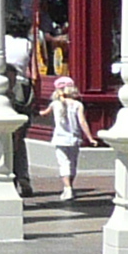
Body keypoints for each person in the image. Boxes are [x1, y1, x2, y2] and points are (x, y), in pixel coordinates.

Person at [44, 74, 96, 202]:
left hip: (60, 138)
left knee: (63, 163)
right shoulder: (77, 105)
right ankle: (70, 186)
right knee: (72, 163)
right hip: (74, 138)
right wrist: (90, 137)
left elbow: (43, 114)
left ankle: (67, 188)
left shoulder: (55, 104)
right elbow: (83, 122)